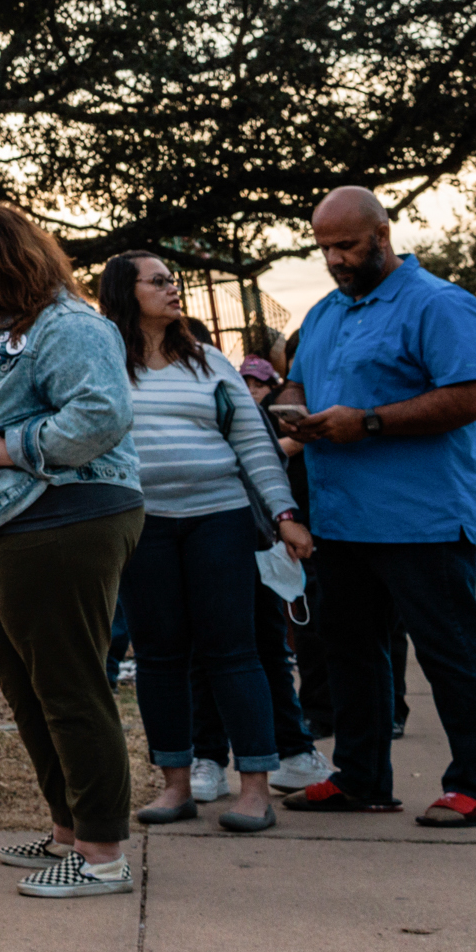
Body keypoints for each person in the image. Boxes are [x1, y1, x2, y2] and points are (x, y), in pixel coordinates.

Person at [0, 201, 141, 898]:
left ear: (6, 260)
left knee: (69, 684)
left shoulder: (70, 326)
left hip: (66, 516)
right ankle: (70, 828)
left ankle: (102, 854)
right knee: (26, 681)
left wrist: (16, 447)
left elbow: (102, 412)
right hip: (8, 524)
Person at [279, 188, 476, 828]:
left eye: (346, 246)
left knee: (450, 652)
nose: (334, 259)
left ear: (382, 235)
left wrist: (371, 422)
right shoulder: (324, 313)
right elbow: (298, 376)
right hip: (343, 518)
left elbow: (475, 397)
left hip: (423, 517)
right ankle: (360, 778)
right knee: (348, 650)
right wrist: (295, 412)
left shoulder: (439, 304)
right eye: (324, 248)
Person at [97, 254, 306, 835]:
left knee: (233, 651)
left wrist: (283, 513)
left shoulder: (209, 360)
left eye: (173, 279)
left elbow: (253, 445)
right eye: (158, 281)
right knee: (159, 655)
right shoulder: (103, 363)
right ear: (124, 291)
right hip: (142, 526)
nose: (172, 288)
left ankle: (256, 789)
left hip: (220, 518)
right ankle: (176, 785)